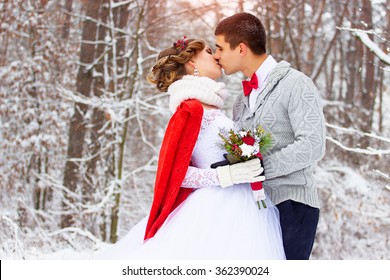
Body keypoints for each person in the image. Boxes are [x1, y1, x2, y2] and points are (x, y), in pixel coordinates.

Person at [96, 37, 285, 259]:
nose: (216, 55)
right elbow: (175, 174)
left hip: (245, 207)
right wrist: (226, 174)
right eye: (208, 51)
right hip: (214, 211)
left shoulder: (212, 106)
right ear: (191, 63)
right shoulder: (190, 110)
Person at [214, 12, 326, 260]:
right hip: (252, 209)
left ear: (241, 48)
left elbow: (313, 144)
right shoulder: (241, 101)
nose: (216, 56)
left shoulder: (296, 84)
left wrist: (261, 167)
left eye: (220, 48)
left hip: (293, 204)